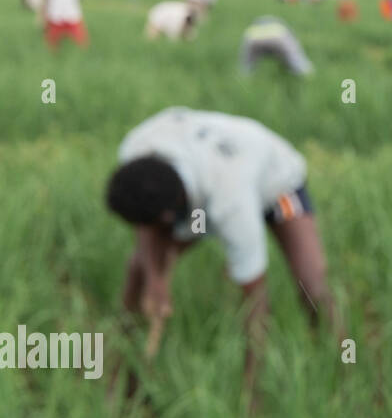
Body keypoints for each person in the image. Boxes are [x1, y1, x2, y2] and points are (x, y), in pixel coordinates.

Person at [106, 107, 340, 387]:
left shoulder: (231, 203)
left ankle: (340, 365)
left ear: (168, 217)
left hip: (278, 190)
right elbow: (147, 228)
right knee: (139, 270)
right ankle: (122, 366)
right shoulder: (137, 151)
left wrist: (250, 396)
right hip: (195, 190)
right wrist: (156, 281)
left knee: (311, 284)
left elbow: (255, 298)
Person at [239, 16, 314, 75]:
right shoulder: (280, 27)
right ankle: (307, 75)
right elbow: (293, 43)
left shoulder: (252, 29)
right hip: (278, 37)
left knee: (247, 68)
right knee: (298, 63)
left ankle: (243, 80)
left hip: (253, 39)